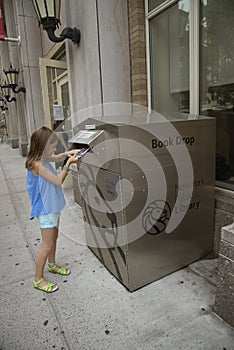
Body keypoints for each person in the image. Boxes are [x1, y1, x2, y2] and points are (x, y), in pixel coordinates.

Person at [25, 126, 80, 293]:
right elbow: (57, 181)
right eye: (52, 145)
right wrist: (68, 164)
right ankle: (38, 279)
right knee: (47, 245)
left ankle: (52, 265)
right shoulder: (37, 164)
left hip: (53, 206)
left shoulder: (43, 158)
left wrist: (65, 155)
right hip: (46, 210)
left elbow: (54, 156)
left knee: (54, 238)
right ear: (42, 146)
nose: (55, 149)